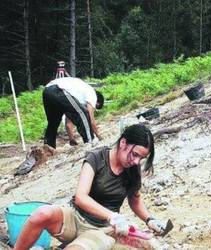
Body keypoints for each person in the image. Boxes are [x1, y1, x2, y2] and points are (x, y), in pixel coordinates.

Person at [14, 124, 167, 250]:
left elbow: (135, 201)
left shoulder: (133, 169)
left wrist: (149, 219)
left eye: (141, 157)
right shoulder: (97, 157)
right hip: (74, 216)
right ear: (123, 143)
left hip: (101, 229)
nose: (136, 161)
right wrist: (113, 216)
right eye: (134, 154)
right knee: (42, 214)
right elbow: (81, 197)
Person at [42, 77, 104, 149]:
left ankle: (48, 148)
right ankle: (90, 142)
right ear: (97, 102)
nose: (93, 107)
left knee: (53, 123)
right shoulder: (92, 94)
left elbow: (68, 123)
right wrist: (99, 137)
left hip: (47, 91)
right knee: (84, 113)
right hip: (58, 89)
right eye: (95, 107)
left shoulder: (78, 94)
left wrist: (72, 139)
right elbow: (91, 119)